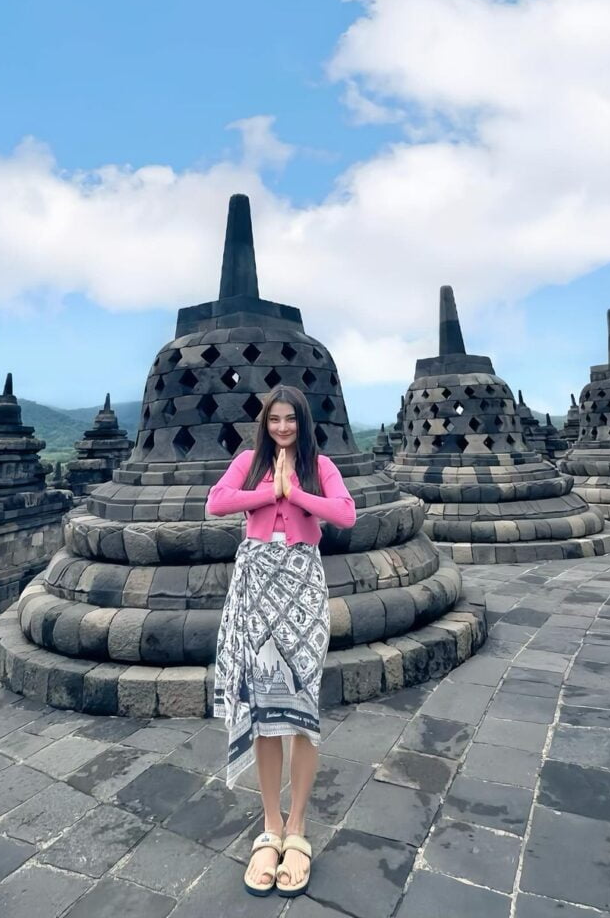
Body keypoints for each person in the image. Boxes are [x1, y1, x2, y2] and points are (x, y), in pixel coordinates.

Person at [207, 385, 356, 898]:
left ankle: (298, 828)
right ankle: (270, 827)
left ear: (303, 422)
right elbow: (217, 503)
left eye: (291, 419)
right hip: (255, 584)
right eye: (275, 419)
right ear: (265, 423)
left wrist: (296, 493)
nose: (283, 428)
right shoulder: (249, 461)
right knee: (265, 707)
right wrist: (269, 491)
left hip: (301, 586)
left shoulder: (321, 466)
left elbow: (345, 514)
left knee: (301, 709)